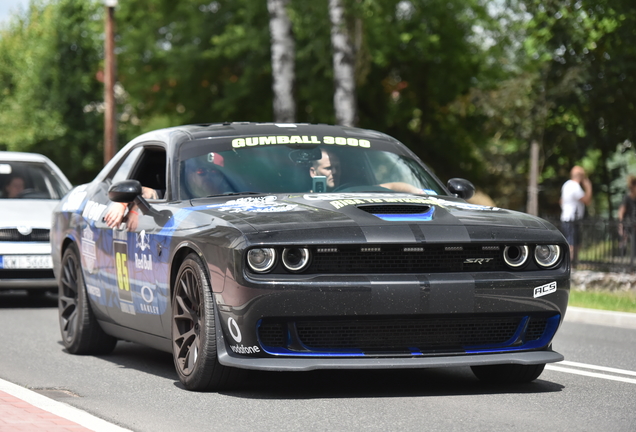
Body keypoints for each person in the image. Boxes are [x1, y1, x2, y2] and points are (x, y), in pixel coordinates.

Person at [308, 148, 425, 194]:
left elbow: (392, 186)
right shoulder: (300, 198)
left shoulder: (354, 191)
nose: (334, 172)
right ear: (313, 172)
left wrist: (419, 192)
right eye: (328, 168)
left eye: (337, 168)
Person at [560, 165, 593, 264]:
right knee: (572, 243)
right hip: (572, 219)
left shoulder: (566, 185)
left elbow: (561, 201)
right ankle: (571, 264)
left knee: (572, 242)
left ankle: (573, 263)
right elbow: (587, 201)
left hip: (566, 217)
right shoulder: (575, 186)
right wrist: (589, 187)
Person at [618, 175, 636, 256]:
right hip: (629, 224)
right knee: (626, 241)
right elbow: (621, 212)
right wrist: (621, 224)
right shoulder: (627, 198)